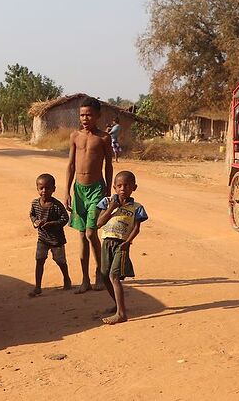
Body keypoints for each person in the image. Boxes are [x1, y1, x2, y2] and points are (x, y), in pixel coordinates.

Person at [65, 96, 113, 294]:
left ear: (98, 116)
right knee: (82, 237)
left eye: (89, 115)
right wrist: (66, 191)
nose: (85, 118)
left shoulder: (103, 138)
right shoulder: (75, 136)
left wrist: (109, 190)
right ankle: (85, 280)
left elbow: (108, 165)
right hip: (78, 190)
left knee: (91, 232)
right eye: (82, 115)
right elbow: (70, 165)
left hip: (96, 190)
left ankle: (100, 275)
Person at [95, 170, 148, 324]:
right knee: (104, 274)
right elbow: (99, 223)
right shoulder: (107, 202)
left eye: (127, 185)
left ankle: (121, 314)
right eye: (119, 185)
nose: (123, 188)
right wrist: (112, 207)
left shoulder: (137, 207)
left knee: (114, 276)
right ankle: (117, 304)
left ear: (134, 187)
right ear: (114, 187)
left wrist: (128, 242)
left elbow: (136, 228)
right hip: (106, 242)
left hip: (122, 244)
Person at [29, 173, 72, 297]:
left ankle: (66, 279)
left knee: (60, 261)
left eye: (47, 188)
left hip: (56, 240)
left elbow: (65, 218)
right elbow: (32, 215)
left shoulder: (56, 205)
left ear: (54, 189)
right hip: (42, 238)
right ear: (37, 189)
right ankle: (37, 287)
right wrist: (36, 222)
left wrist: (52, 224)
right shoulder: (35, 203)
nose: (44, 191)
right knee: (39, 260)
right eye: (41, 188)